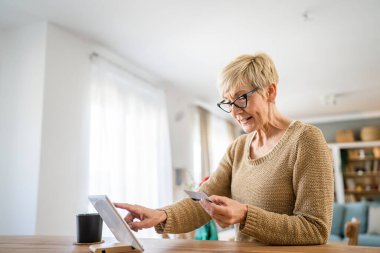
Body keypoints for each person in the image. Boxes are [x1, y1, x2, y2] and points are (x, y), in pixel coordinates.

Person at [114, 53, 334, 245]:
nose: (235, 111)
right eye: (228, 102)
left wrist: (246, 215)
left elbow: (315, 229)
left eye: (241, 98)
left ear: (271, 91)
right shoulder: (238, 148)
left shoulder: (305, 139)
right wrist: (160, 215)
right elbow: (203, 201)